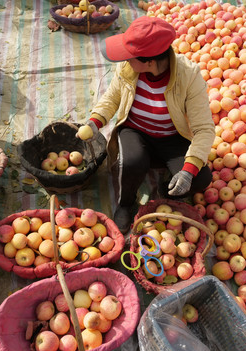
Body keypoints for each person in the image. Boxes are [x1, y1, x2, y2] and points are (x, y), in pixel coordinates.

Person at [78, 16, 215, 233]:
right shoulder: (128, 68)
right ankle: (125, 204)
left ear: (149, 61)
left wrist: (188, 170)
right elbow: (111, 98)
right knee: (131, 163)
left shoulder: (189, 76)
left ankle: (165, 190)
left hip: (172, 137)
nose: (124, 60)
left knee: (201, 178)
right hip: (135, 131)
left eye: (130, 56)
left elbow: (204, 128)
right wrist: (95, 121)